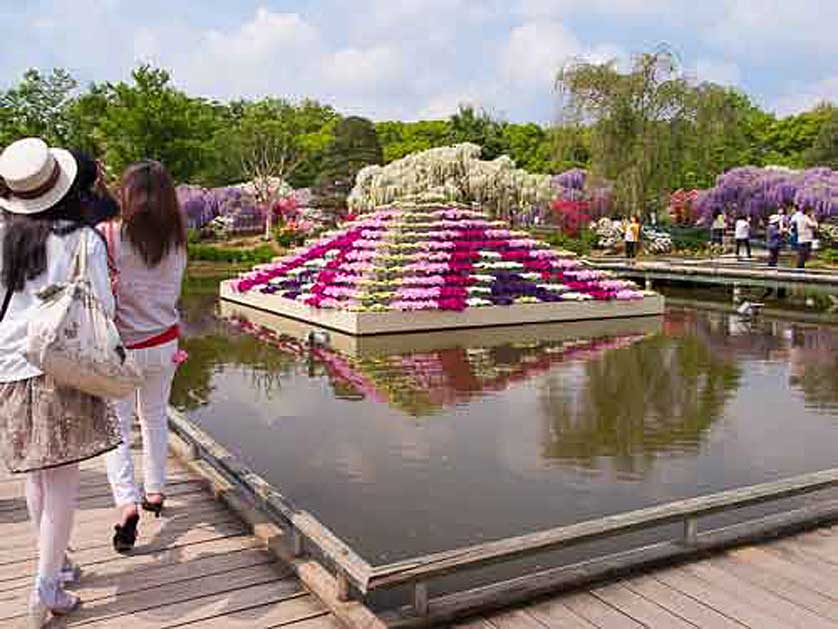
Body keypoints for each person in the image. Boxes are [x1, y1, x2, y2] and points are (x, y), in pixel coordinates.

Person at [0, 138, 121, 626]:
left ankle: (58, 563)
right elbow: (102, 311)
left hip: (9, 365)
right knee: (63, 481)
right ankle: (46, 588)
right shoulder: (82, 240)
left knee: (36, 473)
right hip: (62, 366)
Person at [104, 161, 187, 553]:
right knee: (153, 418)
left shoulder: (108, 236)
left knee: (116, 427)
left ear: (129, 196)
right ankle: (154, 492)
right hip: (164, 344)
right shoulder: (177, 242)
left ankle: (127, 503)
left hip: (121, 348)